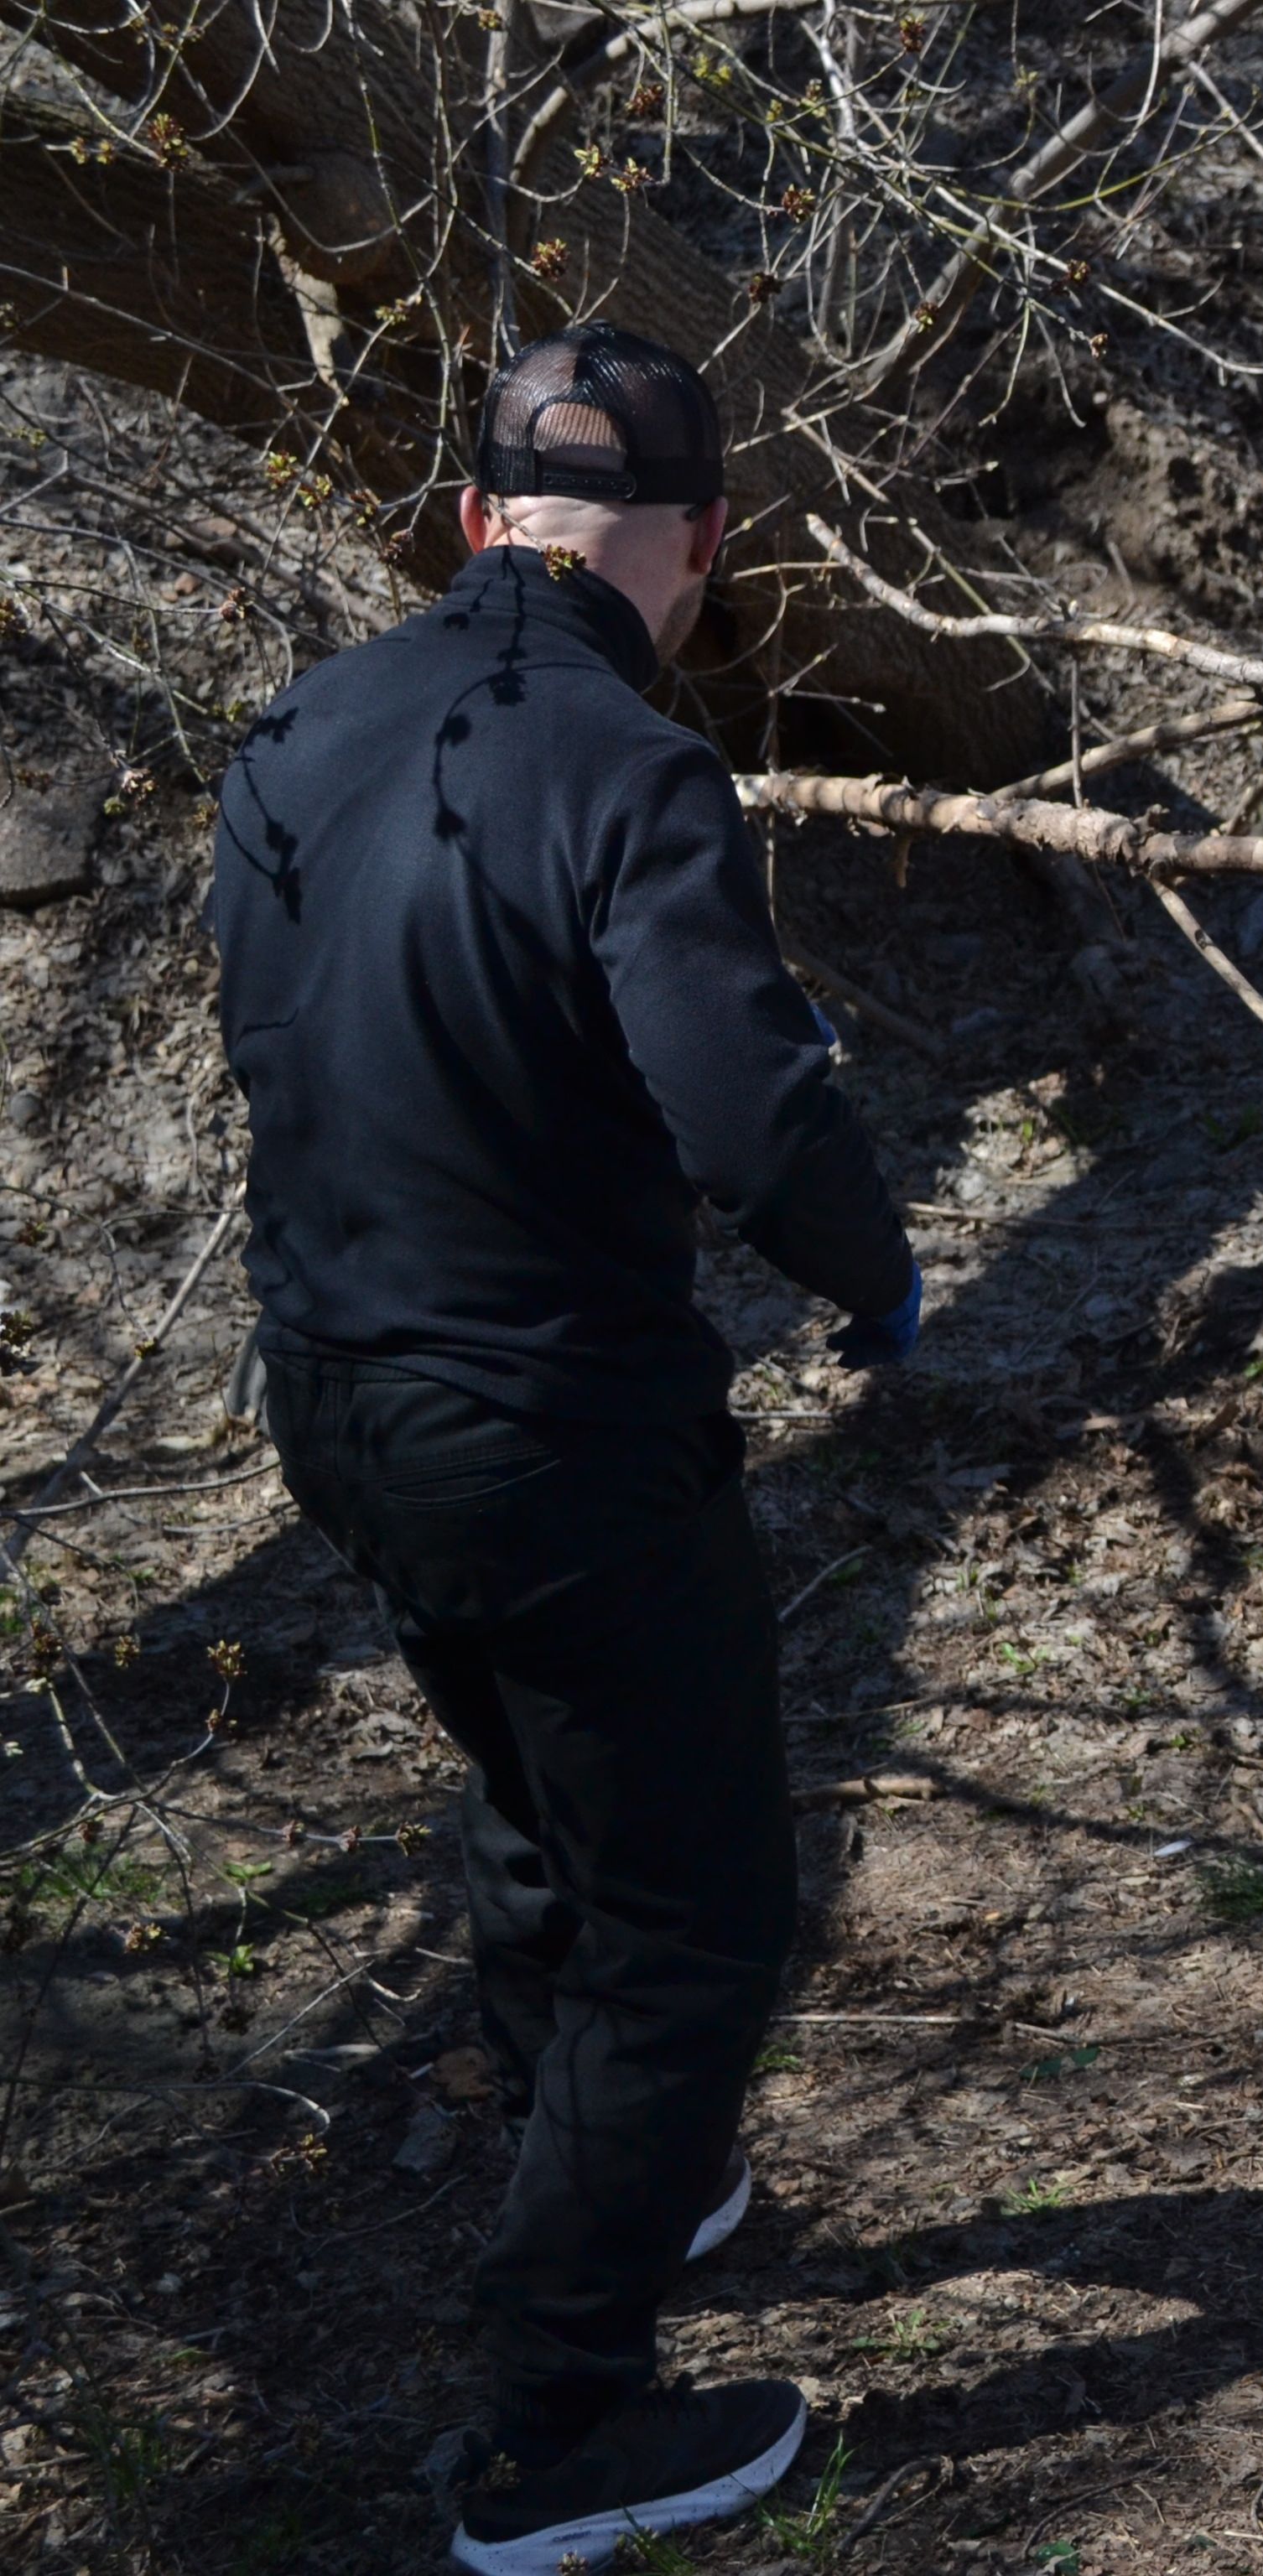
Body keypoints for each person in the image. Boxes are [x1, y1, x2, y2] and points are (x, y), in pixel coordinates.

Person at [205, 322, 923, 2572]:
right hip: (553, 1427)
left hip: (336, 1400)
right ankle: (557, 2427)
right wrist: (870, 1273)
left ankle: (614, 2169)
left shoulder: (301, 730)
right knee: (695, 1917)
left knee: (538, 1794)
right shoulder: (632, 768)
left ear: (468, 520)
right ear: (701, 544)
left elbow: (274, 1039)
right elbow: (748, 1106)